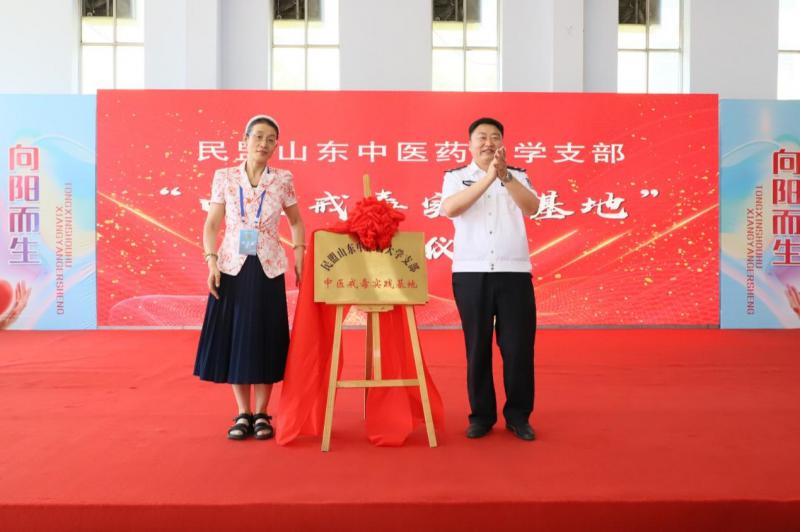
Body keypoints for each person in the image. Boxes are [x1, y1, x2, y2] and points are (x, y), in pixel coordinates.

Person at [194, 114, 305, 440]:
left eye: (271, 139)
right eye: (258, 137)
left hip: (268, 266)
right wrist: (211, 261)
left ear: (276, 145)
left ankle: (262, 413)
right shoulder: (224, 177)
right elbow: (212, 223)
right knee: (236, 336)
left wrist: (300, 254)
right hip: (231, 265)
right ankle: (243, 412)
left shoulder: (282, 179)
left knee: (264, 336)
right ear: (244, 141)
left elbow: (296, 221)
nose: (264, 144)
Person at [440, 117, 540, 441]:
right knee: (477, 347)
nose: (488, 142)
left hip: (514, 273)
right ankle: (481, 416)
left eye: (495, 137)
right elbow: (451, 209)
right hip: (471, 273)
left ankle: (518, 416)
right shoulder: (455, 177)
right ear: (470, 144)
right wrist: (489, 177)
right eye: (481, 137)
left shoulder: (518, 175)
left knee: (518, 348)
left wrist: (505, 176)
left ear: (502, 143)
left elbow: (533, 207)